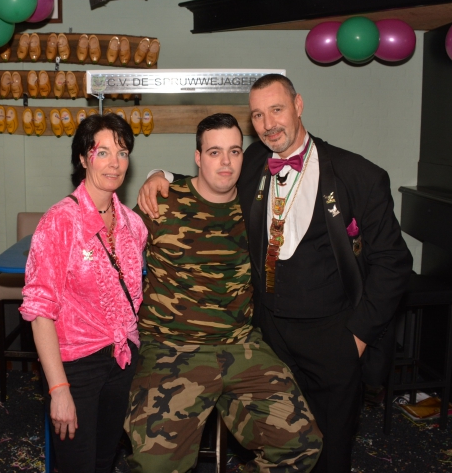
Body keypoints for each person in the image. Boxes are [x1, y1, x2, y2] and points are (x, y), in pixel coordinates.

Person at [139, 74, 412, 473]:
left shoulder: (358, 174)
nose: (268, 124)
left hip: (332, 336)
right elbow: (210, 179)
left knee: (330, 450)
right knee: (282, 445)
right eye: (258, 115)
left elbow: (394, 263)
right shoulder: (252, 161)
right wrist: (160, 175)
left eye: (277, 110)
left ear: (298, 106)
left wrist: (357, 337)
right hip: (267, 336)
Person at [126, 114, 322, 472]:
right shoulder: (161, 203)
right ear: (198, 157)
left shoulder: (257, 207)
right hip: (172, 347)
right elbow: (111, 257)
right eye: (214, 152)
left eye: (234, 151)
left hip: (240, 346)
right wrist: (158, 175)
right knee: (155, 466)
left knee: (301, 445)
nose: (226, 162)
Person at [19, 114, 148, 473]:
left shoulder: (133, 225)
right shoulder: (60, 222)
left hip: (122, 361)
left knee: (105, 460)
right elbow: (39, 310)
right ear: (82, 158)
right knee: (77, 465)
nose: (114, 163)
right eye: (102, 152)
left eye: (122, 153)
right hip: (76, 367)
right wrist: (58, 387)